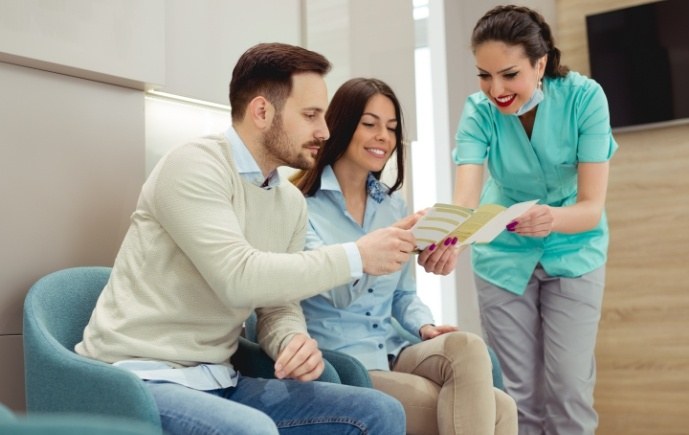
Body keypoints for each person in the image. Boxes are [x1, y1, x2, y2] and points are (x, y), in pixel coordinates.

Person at [75, 42, 416, 435]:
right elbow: (238, 278)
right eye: (310, 115)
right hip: (138, 380)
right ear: (261, 111)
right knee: (251, 430)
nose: (324, 131)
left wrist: (291, 340)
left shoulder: (288, 201)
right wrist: (356, 256)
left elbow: (276, 306)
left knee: (380, 413)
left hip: (220, 380)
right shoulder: (194, 167)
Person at [293, 77, 518, 435]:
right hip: (345, 361)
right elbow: (337, 291)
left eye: (392, 128)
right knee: (497, 409)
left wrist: (424, 326)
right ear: (341, 125)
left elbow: (402, 295)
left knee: (468, 347)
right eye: (369, 124)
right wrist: (386, 243)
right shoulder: (301, 208)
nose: (383, 135)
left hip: (395, 350)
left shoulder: (391, 204)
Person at [452, 5, 618, 435]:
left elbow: (590, 208)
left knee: (569, 391)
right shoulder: (478, 111)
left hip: (574, 250)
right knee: (514, 397)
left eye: (509, 75)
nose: (496, 89)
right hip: (503, 257)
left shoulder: (584, 99)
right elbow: (466, 200)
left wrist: (551, 218)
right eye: (484, 76)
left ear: (539, 63)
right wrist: (447, 239)